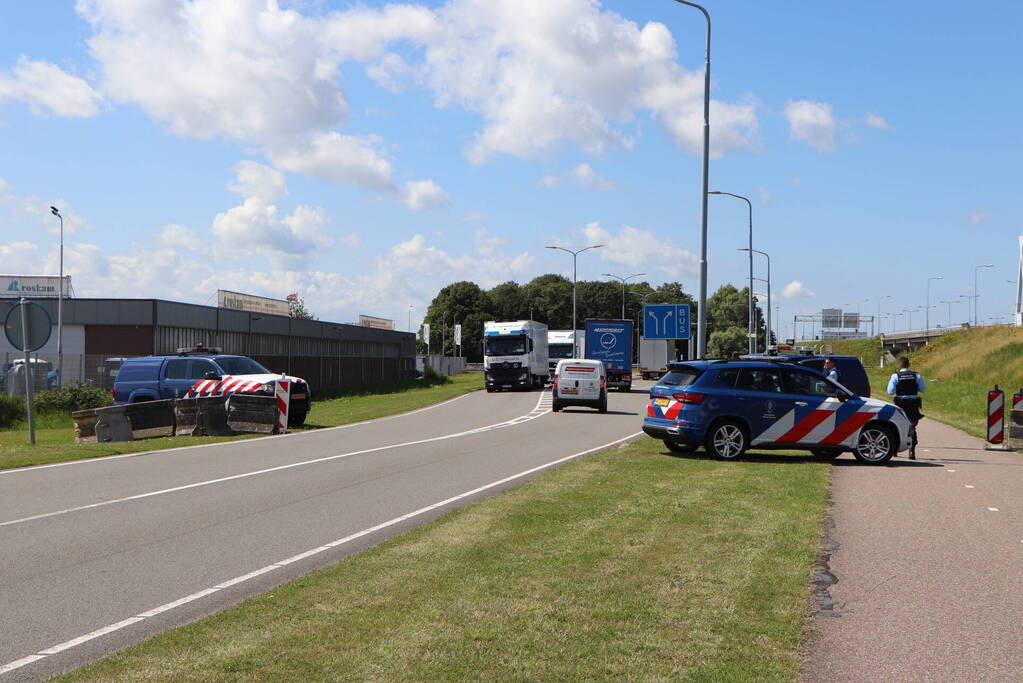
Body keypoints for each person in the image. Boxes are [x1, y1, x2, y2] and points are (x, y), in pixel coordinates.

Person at [887, 356, 926, 459]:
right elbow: (923, 389)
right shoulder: (916, 375)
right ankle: (912, 451)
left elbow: (890, 391)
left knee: (896, 425)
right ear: (909, 365)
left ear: (899, 365)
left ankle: (894, 451)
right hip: (913, 403)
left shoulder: (895, 376)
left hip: (900, 403)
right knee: (912, 426)